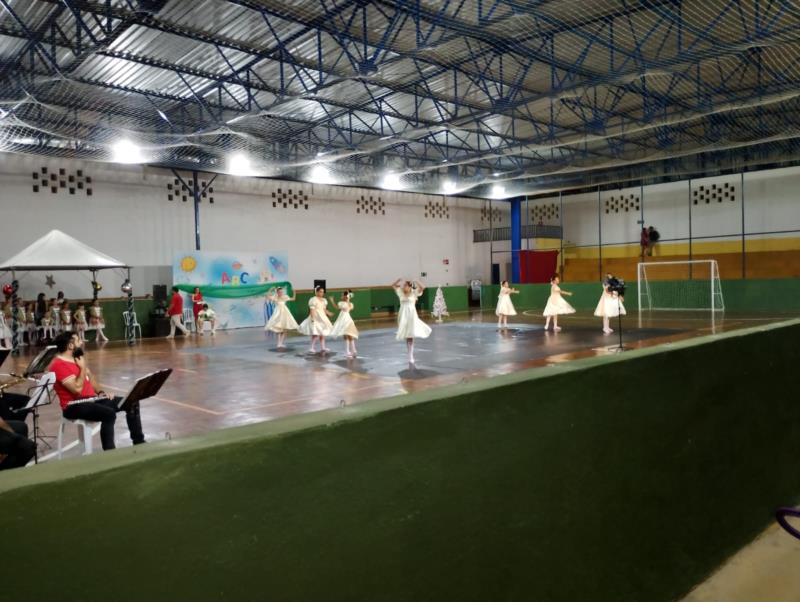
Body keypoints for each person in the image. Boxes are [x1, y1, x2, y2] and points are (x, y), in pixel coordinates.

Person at [50, 332, 145, 450]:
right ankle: (110, 453)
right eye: (78, 340)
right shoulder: (58, 365)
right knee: (109, 414)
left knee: (131, 402)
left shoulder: (76, 359)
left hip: (92, 400)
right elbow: (76, 389)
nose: (81, 342)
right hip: (73, 406)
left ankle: (139, 442)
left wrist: (101, 393)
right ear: (70, 345)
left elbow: (90, 379)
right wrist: (82, 367)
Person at [392, 278, 431, 364]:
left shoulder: (414, 293)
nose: (403, 287)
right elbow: (393, 286)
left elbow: (423, 287)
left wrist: (416, 281)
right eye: (403, 285)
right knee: (407, 334)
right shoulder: (400, 292)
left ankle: (411, 355)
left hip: (411, 316)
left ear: (410, 287)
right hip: (403, 315)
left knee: (410, 335)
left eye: (405, 285)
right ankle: (410, 354)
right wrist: (398, 280)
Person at [298, 286, 334, 353]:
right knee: (315, 334)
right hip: (316, 318)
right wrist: (312, 319)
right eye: (320, 292)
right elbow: (312, 310)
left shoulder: (324, 300)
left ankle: (323, 347)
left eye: (322, 292)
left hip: (322, 318)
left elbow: (324, 309)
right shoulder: (313, 300)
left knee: (322, 333)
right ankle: (312, 347)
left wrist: (329, 313)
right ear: (316, 292)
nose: (321, 293)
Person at [329, 290, 359, 358]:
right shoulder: (341, 303)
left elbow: (349, 308)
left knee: (350, 334)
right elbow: (337, 307)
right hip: (342, 319)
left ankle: (353, 350)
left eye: (343, 295)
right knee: (346, 335)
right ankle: (348, 351)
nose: (341, 296)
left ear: (346, 296)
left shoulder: (349, 304)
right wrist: (332, 300)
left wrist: (348, 299)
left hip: (347, 319)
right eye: (342, 295)